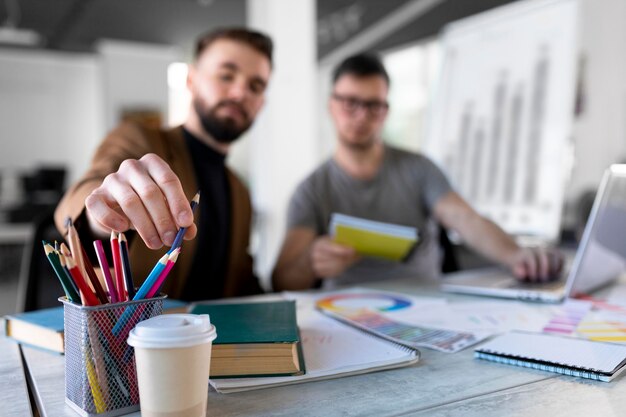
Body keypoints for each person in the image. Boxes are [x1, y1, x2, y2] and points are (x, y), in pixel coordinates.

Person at [272, 53, 563, 291]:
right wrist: (310, 262)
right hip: (344, 313)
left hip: (425, 304)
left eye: (373, 105)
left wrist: (516, 255)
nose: (361, 115)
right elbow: (282, 280)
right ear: (331, 106)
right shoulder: (311, 191)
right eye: (350, 103)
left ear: (385, 111)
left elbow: (466, 220)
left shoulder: (418, 169)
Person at [55, 28, 273, 301]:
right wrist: (100, 212)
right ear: (191, 80)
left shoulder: (240, 191)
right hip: (135, 337)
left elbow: (240, 280)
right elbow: (89, 189)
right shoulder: (138, 137)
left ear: (261, 103)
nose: (240, 92)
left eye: (255, 86)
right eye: (226, 75)